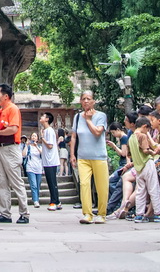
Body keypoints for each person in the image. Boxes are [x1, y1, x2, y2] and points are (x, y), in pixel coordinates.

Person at [0, 83, 28, 224]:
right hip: (1, 147)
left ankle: (24, 213)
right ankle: (5, 213)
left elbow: (13, 129)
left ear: (6, 96)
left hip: (11, 148)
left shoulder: (13, 109)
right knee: (2, 183)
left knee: (16, 182)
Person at [70, 90, 109, 224]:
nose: (86, 101)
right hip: (83, 156)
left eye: (88, 98)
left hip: (99, 156)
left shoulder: (101, 116)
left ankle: (102, 213)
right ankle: (87, 213)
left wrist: (88, 120)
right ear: (80, 101)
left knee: (101, 186)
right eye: (83, 99)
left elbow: (97, 132)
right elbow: (74, 136)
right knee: (84, 184)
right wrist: (72, 154)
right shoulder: (76, 117)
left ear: (93, 101)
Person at [129, 116, 160, 223]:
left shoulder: (131, 138)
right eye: (148, 129)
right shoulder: (142, 136)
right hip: (147, 164)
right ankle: (158, 214)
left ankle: (139, 215)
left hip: (138, 167)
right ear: (145, 126)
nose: (148, 132)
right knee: (154, 189)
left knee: (140, 191)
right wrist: (153, 152)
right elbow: (146, 150)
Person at [39, 112, 62, 210]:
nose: (41, 117)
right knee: (52, 182)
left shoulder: (49, 131)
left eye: (43, 116)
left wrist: (42, 137)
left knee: (52, 182)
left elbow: (50, 145)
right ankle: (57, 201)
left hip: (51, 160)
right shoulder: (46, 130)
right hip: (48, 160)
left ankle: (53, 202)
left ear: (47, 119)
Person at [23, 131, 44, 207]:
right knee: (33, 185)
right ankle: (35, 201)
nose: (33, 137)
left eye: (35, 136)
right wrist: (26, 145)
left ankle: (36, 199)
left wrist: (37, 147)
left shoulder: (40, 146)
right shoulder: (28, 147)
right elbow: (24, 155)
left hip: (38, 168)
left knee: (38, 185)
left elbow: (43, 154)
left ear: (37, 138)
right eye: (32, 136)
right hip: (30, 167)